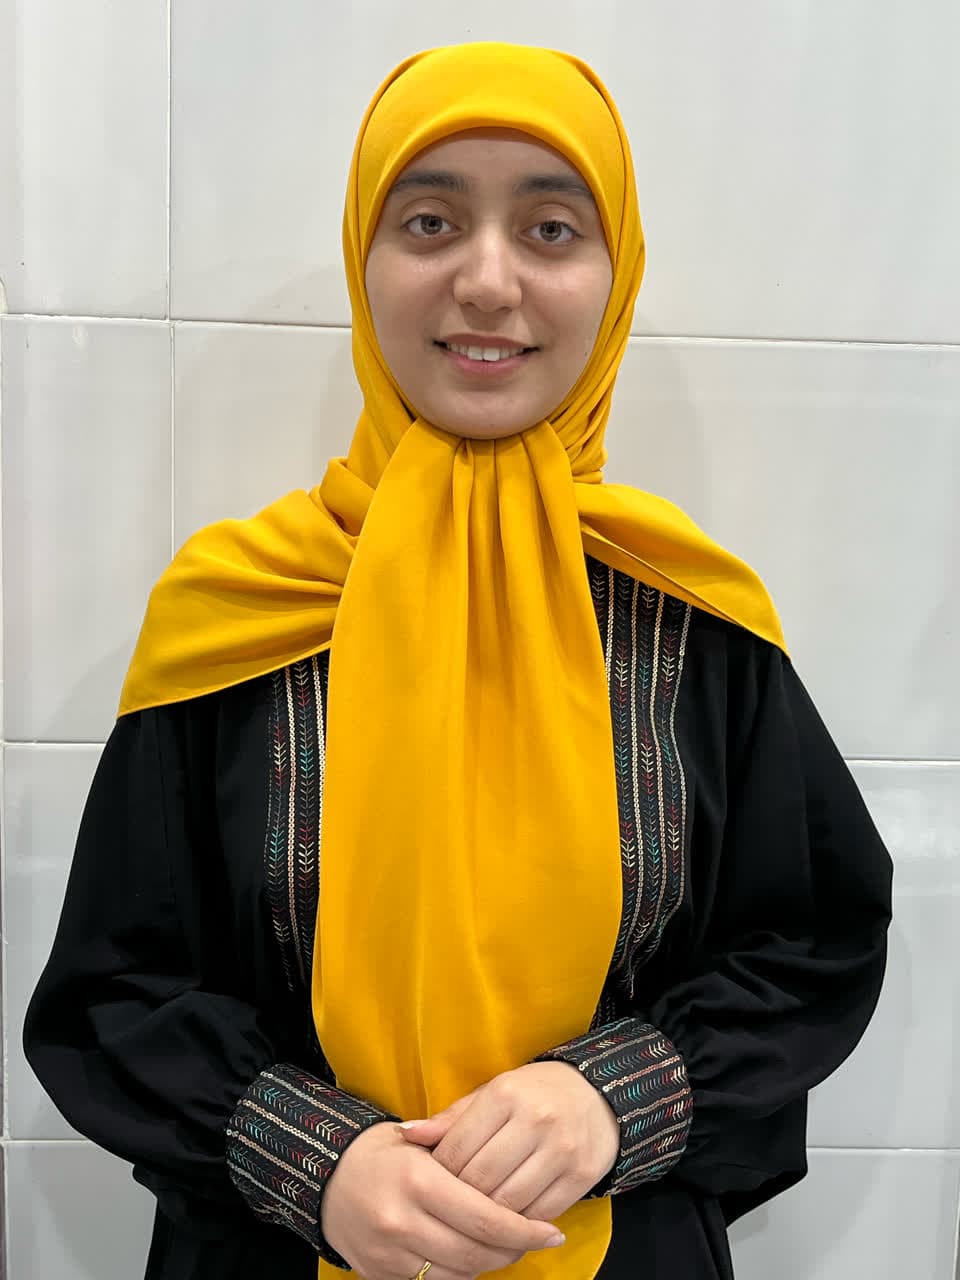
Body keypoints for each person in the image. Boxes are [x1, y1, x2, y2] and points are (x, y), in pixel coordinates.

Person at [24, 41, 893, 1280]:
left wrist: (612, 1096)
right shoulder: (234, 614)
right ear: (364, 260)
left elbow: (811, 944)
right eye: (430, 221)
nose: (487, 281)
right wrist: (315, 1158)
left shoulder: (694, 622)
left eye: (551, 229)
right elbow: (117, 989)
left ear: (616, 275)